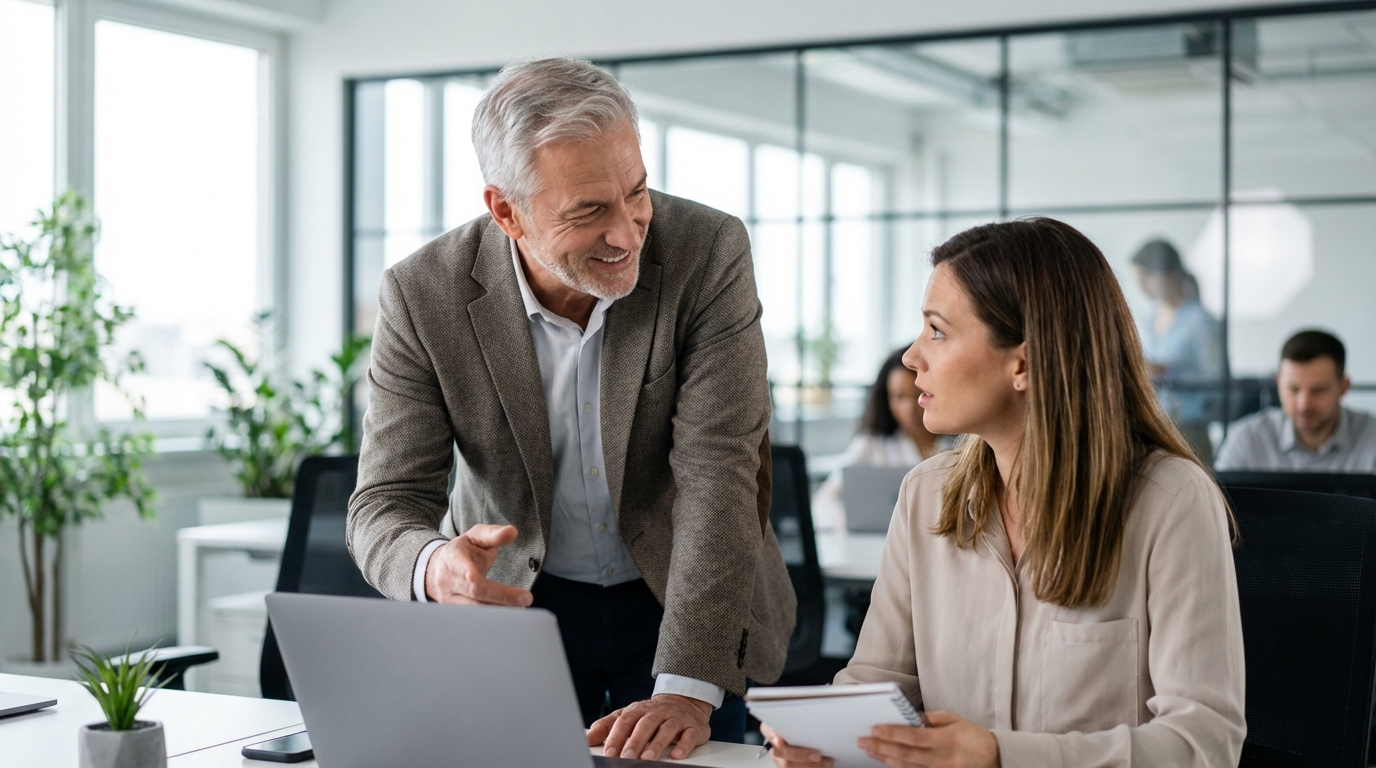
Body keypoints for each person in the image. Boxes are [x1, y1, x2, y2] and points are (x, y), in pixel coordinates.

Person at [345, 57, 795, 763]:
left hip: (688, 600)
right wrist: (436, 567)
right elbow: (384, 503)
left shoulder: (707, 251)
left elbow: (718, 475)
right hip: (524, 607)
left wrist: (685, 689)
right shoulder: (421, 294)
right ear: (505, 210)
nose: (627, 233)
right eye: (588, 212)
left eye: (637, 192)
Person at [761, 218, 1245, 767]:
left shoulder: (1170, 501)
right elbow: (875, 683)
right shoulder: (925, 495)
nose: (911, 357)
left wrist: (1000, 756)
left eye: (937, 331)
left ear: (1024, 362)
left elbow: (1204, 742)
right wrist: (827, 742)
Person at [812, 348, 955, 531]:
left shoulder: (963, 446)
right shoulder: (870, 446)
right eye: (899, 397)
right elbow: (821, 505)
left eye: (920, 394)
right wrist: (851, 518)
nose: (910, 409)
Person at [1215, 329, 1376, 472]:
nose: (1303, 404)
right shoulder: (1247, 439)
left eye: (1318, 390)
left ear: (1344, 387)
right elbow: (1214, 503)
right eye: (1293, 389)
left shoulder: (1371, 436)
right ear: (1279, 383)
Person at [1131, 239, 1223, 464]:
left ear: (1169, 276)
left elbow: (1215, 379)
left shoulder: (1201, 321)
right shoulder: (1150, 320)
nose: (1142, 286)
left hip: (1189, 430)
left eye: (1146, 277)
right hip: (1152, 426)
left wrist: (1167, 371)